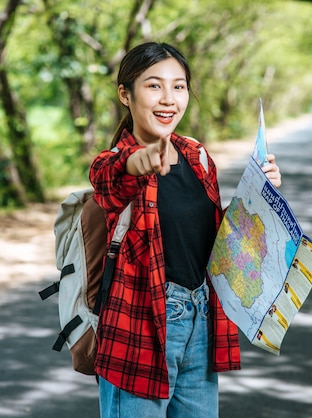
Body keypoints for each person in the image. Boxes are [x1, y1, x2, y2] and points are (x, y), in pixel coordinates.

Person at [89, 42, 282, 418]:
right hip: (139, 326)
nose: (168, 99)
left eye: (178, 87)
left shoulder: (197, 156)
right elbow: (109, 184)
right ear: (125, 94)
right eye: (154, 86)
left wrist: (262, 196)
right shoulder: (112, 162)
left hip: (201, 320)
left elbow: (212, 237)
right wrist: (137, 162)